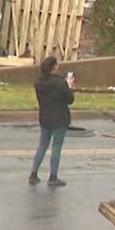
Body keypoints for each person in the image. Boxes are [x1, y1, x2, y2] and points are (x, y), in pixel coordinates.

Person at [29, 56, 74, 187]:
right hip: (59, 118)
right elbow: (70, 99)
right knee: (56, 147)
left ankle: (34, 173)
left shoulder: (38, 83)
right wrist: (70, 86)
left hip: (45, 116)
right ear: (54, 67)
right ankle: (53, 176)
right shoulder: (60, 83)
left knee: (42, 145)